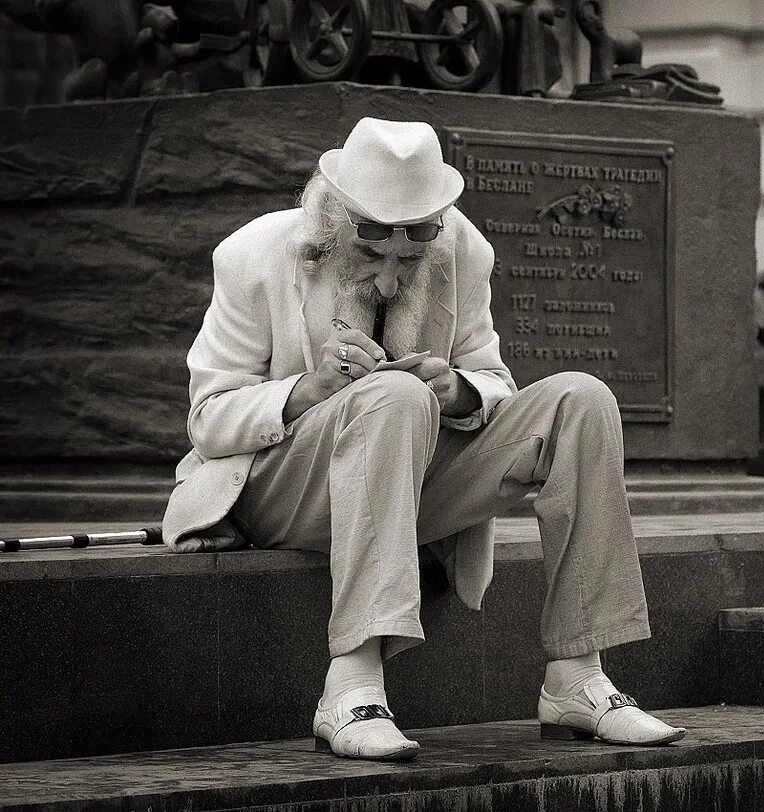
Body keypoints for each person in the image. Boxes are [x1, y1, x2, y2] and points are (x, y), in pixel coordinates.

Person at [161, 117, 685, 761]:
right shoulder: (255, 254)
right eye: (372, 250)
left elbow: (493, 379)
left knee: (582, 400)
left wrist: (459, 390)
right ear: (333, 219)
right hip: (280, 492)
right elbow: (207, 418)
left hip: (409, 486)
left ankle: (579, 676)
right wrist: (309, 388)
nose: (389, 277)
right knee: (393, 396)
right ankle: (352, 685)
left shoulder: (462, 249)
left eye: (410, 254)